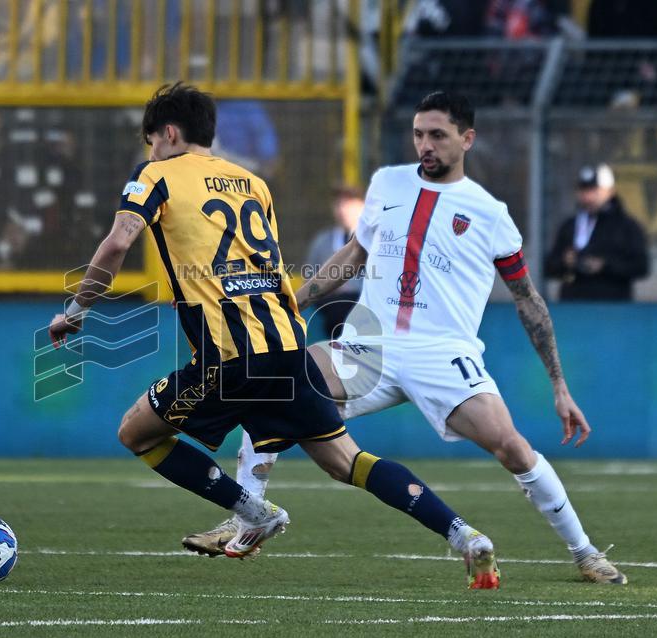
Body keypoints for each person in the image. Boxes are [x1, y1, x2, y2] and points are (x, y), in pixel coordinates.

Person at [49, 83, 501, 589]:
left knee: (136, 433)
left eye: (151, 140)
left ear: (169, 133)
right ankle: (464, 535)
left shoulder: (155, 174)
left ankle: (254, 512)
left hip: (229, 356)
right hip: (286, 346)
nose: (150, 151)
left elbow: (117, 244)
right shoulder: (252, 183)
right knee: (347, 462)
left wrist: (77, 309)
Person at [182, 91, 627, 585]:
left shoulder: (489, 213)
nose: (425, 145)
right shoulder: (388, 183)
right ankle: (247, 518)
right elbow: (354, 254)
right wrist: (296, 302)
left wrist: (559, 386)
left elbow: (528, 299)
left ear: (467, 139)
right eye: (418, 134)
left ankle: (585, 553)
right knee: (272, 383)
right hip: (368, 345)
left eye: (438, 135)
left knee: (513, 449)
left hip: (442, 354)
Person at [543, 164, 650, 301]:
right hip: (573, 305)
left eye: (594, 190)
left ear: (610, 191)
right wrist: (565, 261)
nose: (588, 197)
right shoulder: (570, 225)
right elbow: (549, 267)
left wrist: (604, 265)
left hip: (613, 306)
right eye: (583, 190)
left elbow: (641, 266)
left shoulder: (626, 226)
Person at [304, 185, 365, 340]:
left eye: (349, 204)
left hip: (361, 303)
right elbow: (309, 281)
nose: (342, 210)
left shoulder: (376, 240)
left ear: (363, 205)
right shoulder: (322, 242)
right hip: (330, 304)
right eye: (338, 204)